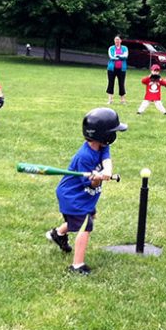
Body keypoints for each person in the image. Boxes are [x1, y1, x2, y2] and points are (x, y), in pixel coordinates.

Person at [46, 108, 126, 274]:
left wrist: (106, 172)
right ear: (102, 135)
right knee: (85, 226)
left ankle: (58, 234)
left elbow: (107, 159)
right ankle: (77, 265)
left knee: (82, 219)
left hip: (83, 196)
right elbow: (91, 185)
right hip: (72, 195)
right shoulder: (85, 156)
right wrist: (96, 178)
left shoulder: (102, 146)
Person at [106, 35, 128, 105]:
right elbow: (111, 57)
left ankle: (122, 100)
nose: (117, 41)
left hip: (122, 69)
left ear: (121, 41)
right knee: (110, 83)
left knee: (121, 84)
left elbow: (125, 56)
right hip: (111, 69)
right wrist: (120, 56)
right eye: (115, 40)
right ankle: (110, 100)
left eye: (118, 39)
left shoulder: (124, 48)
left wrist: (118, 56)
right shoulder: (111, 48)